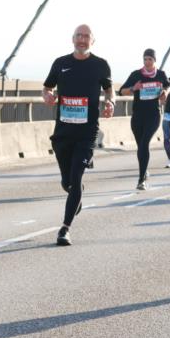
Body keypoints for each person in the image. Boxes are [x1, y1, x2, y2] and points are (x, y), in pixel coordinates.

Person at [42, 25, 114, 246]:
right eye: (79, 36)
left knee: (76, 177)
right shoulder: (61, 63)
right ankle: (76, 193)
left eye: (86, 37)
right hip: (63, 132)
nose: (82, 40)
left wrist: (110, 102)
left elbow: (109, 89)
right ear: (72, 39)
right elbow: (47, 87)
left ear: (93, 40)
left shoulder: (100, 65)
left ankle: (65, 229)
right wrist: (48, 95)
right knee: (68, 182)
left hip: (87, 132)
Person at [120, 49, 170, 190]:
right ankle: (144, 169)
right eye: (145, 59)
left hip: (153, 115)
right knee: (140, 146)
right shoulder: (136, 74)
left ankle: (141, 179)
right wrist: (133, 88)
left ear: (154, 60)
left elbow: (168, 85)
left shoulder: (160, 74)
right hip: (137, 116)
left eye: (150, 59)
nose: (147, 62)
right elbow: (121, 91)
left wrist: (165, 92)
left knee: (144, 144)